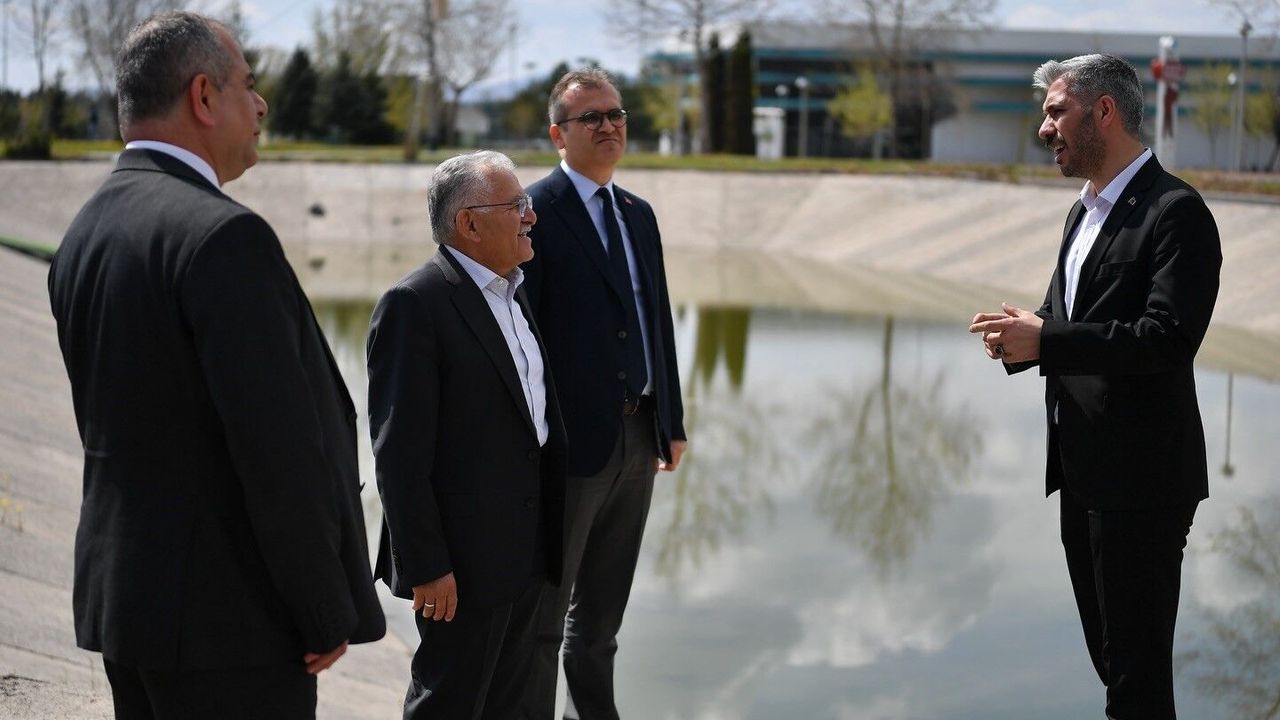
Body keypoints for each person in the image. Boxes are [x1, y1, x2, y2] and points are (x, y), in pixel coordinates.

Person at [46, 11, 384, 720]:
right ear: (203, 96)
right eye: (248, 85)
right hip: (231, 625)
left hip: (129, 608)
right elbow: (276, 452)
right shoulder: (225, 236)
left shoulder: (88, 229)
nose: (261, 105)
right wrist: (324, 609)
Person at [969, 54, 1221, 719]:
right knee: (1114, 669)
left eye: (1056, 111)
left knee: (1136, 682)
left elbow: (1167, 338)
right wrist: (1023, 335)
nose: (1045, 128)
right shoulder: (1082, 212)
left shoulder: (1176, 211)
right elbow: (1071, 317)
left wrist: (1048, 341)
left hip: (1142, 482)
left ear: (1103, 111)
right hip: (1082, 475)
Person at [367, 150, 568, 719]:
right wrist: (427, 566)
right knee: (450, 705)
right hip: (462, 567)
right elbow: (398, 455)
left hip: (529, 552)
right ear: (469, 224)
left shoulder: (514, 290)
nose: (531, 215)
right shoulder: (415, 304)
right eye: (516, 205)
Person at [521, 68, 688, 720]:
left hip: (639, 437)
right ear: (558, 134)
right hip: (570, 446)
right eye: (590, 117)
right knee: (544, 620)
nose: (609, 126)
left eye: (616, 113)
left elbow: (657, 321)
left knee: (601, 622)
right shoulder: (534, 213)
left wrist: (671, 419)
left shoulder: (638, 215)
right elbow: (522, 338)